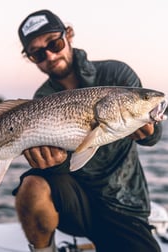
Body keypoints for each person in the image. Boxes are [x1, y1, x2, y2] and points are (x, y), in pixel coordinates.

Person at [13, 9, 162, 252]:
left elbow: (153, 136)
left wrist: (150, 130)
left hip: (124, 203)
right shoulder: (42, 98)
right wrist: (51, 160)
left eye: (55, 43)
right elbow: (64, 165)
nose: (50, 55)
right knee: (31, 186)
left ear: (68, 35)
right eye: (38, 53)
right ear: (30, 58)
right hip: (76, 201)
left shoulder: (117, 74)